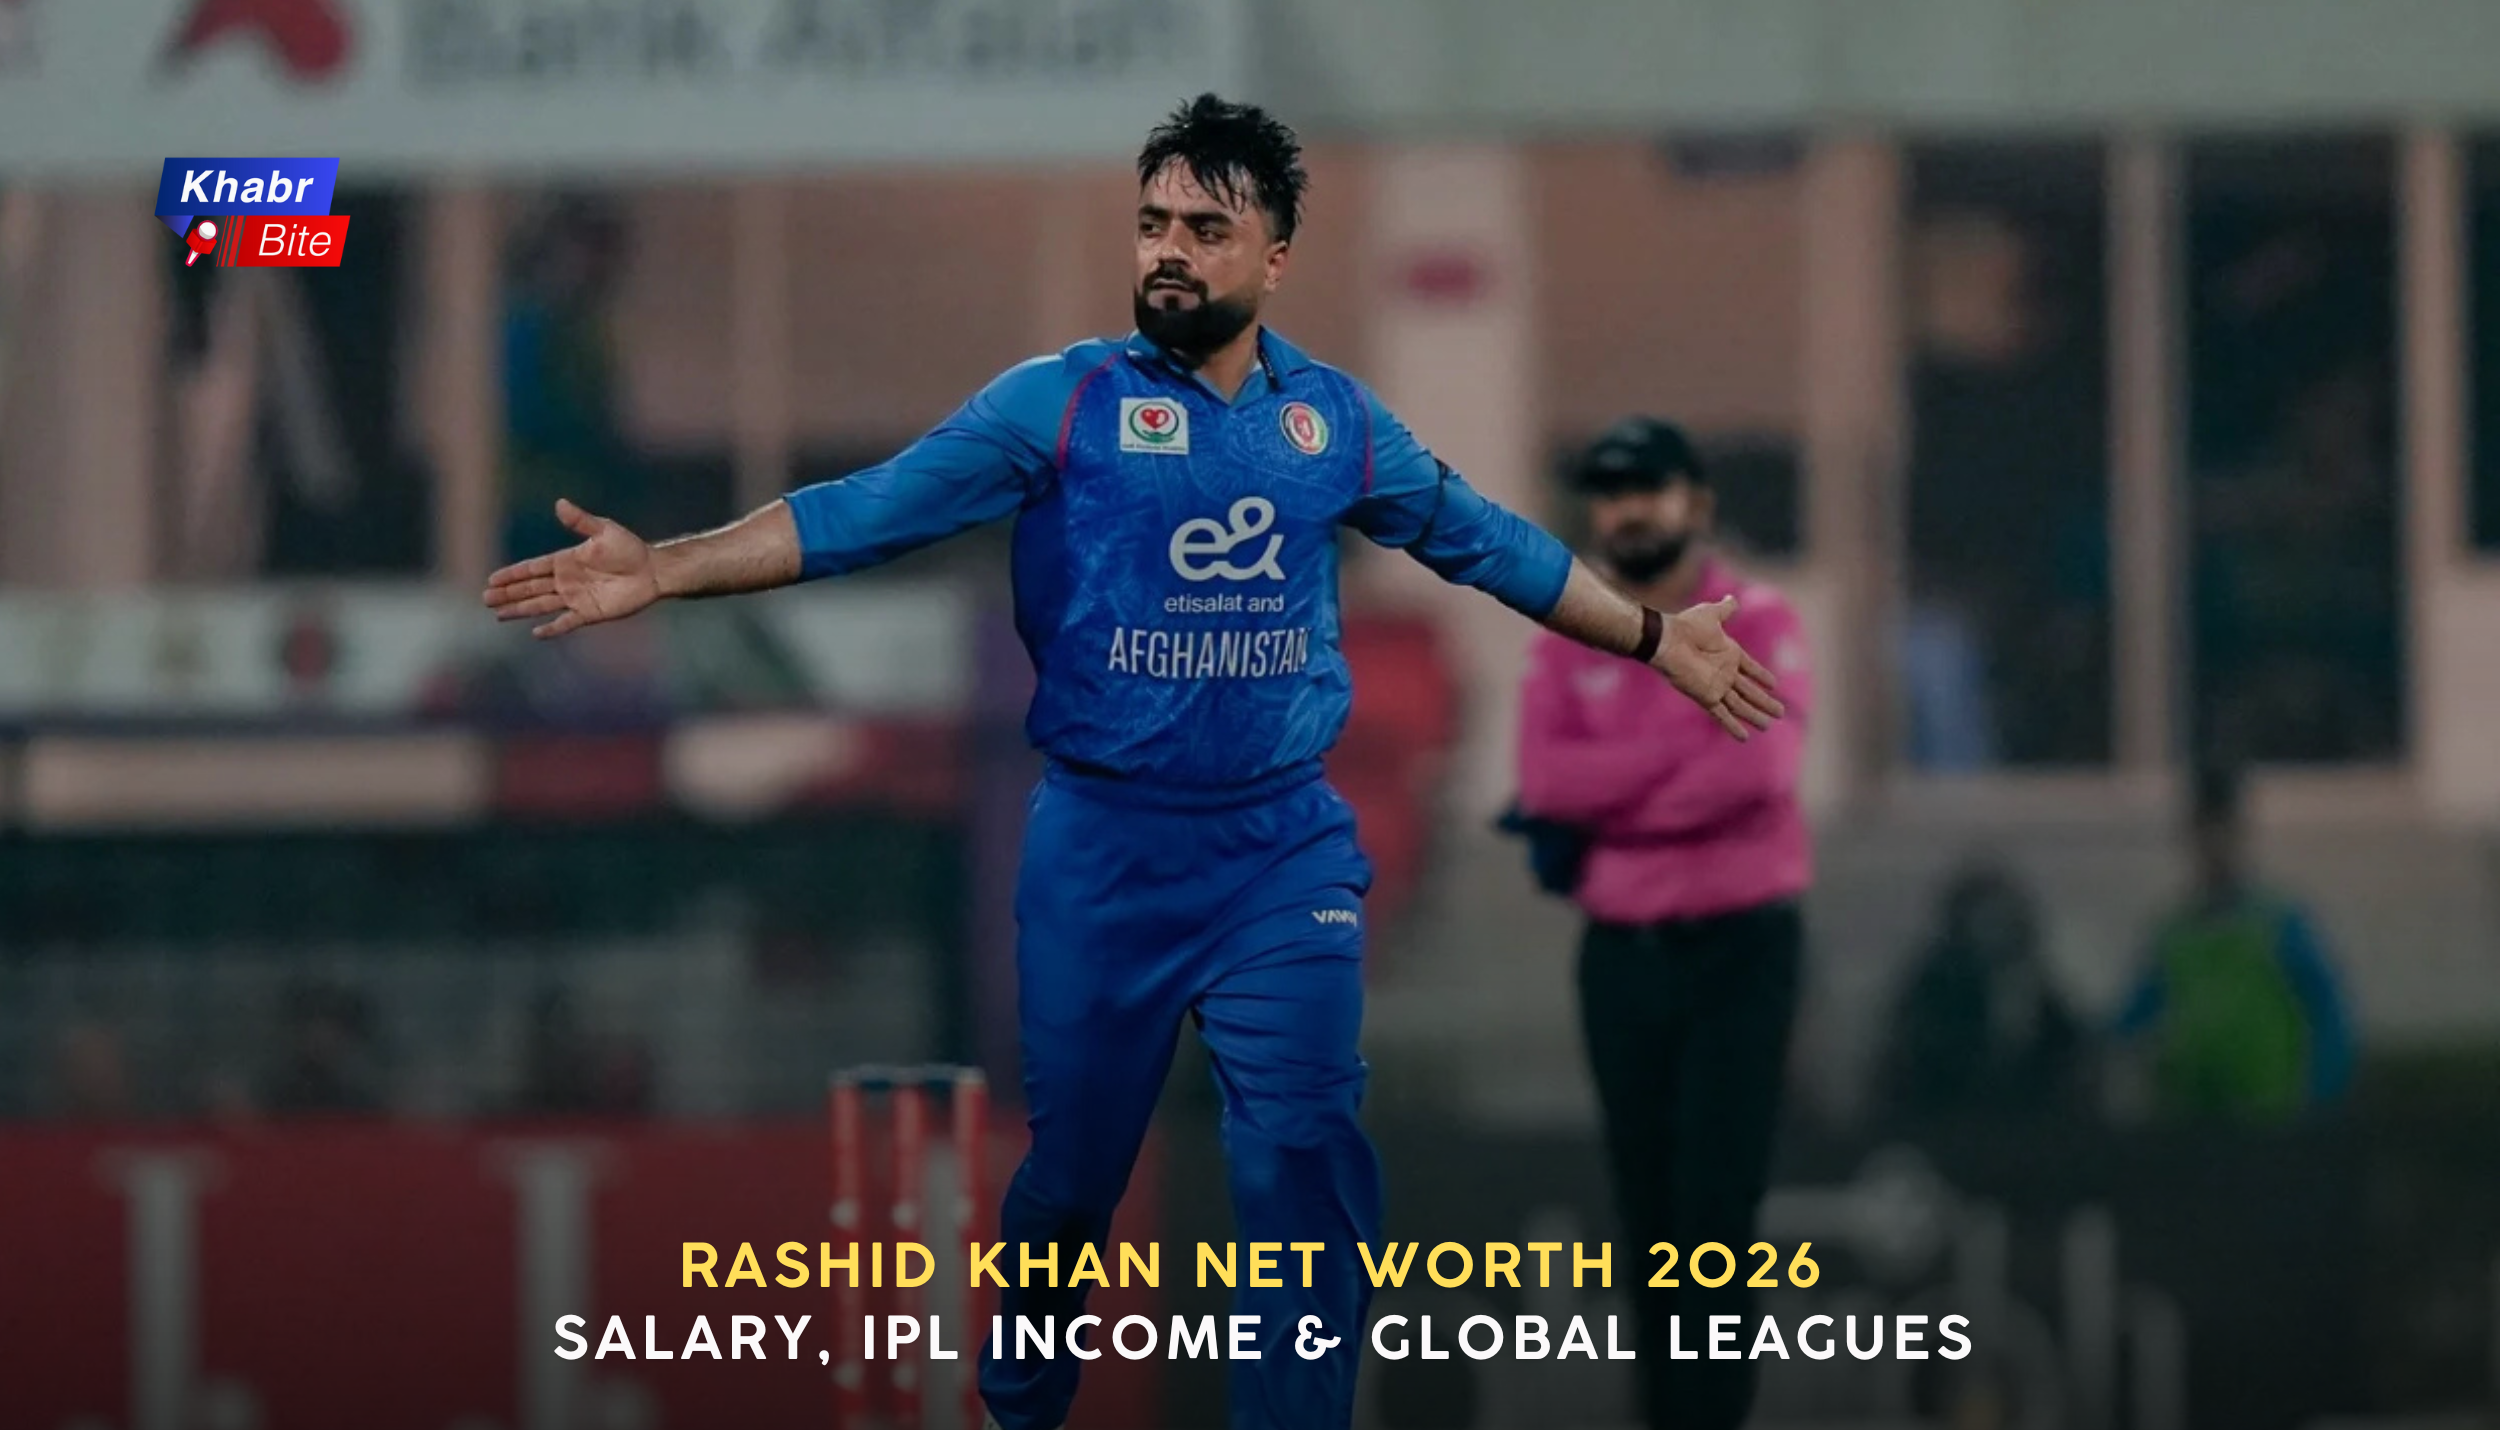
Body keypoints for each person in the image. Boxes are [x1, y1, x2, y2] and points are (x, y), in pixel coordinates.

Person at [483, 96, 1784, 1430]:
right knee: (1075, 1179)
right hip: (1104, 848)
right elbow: (861, 513)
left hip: (1281, 846)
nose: (1169, 249)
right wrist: (670, 568)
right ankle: (1020, 1404)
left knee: (1302, 1147)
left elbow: (1485, 540)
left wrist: (1649, 636)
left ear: (1275, 256)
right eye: (1154, 222)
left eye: (1206, 229)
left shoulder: (1331, 424)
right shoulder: (1060, 404)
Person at [1507, 417, 1812, 1430]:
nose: (1626, 508)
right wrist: (1675, 757)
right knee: (1645, 1223)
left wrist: (1616, 793)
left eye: (1646, 487)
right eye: (1609, 489)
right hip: (1621, 957)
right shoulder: (1571, 634)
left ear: (1698, 503)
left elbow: (1756, 768)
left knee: (1713, 1218)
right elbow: (1546, 781)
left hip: (1737, 950)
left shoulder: (1760, 619)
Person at [2113, 763, 2353, 1124]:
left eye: (2223, 832)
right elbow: (2138, 1011)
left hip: (2271, 1117)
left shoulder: (2279, 922)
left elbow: (2329, 1012)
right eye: (2204, 834)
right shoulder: (2174, 934)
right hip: (2194, 1116)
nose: (2213, 847)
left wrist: (2320, 1095)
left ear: (2240, 835)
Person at [1882, 860, 2088, 1120]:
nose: (1995, 931)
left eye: (2004, 919)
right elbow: (1919, 1049)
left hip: (2026, 1123)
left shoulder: (2034, 985)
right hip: (1947, 1119)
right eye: (1985, 919)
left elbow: (2065, 1044)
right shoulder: (1936, 984)